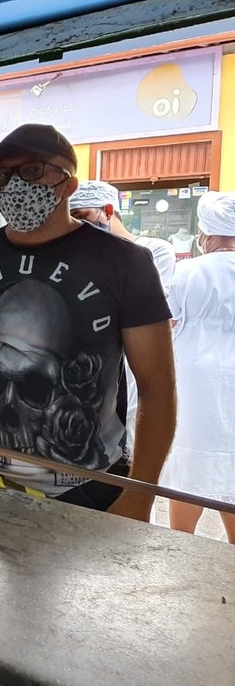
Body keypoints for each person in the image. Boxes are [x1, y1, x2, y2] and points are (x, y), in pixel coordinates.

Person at [0, 123, 176, 520]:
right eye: (3, 175)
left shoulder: (124, 264)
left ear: (69, 184)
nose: (14, 184)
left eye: (32, 171)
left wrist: (139, 497)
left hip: (91, 489)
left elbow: (157, 388)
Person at [68, 180, 175, 451]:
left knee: (138, 431)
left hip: (135, 360)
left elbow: (144, 311)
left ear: (107, 210)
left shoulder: (153, 251)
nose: (79, 227)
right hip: (91, 363)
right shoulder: (81, 255)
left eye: (82, 217)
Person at [159, 191, 235, 542]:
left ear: (212, 235)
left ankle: (182, 544)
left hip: (196, 379)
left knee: (190, 463)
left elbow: (166, 323)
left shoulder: (188, 271)